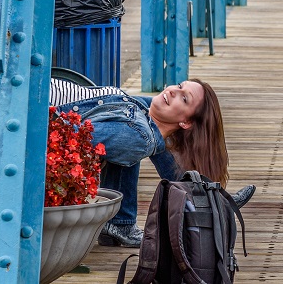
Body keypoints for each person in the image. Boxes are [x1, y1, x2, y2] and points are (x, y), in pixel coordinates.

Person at [50, 77, 256, 248]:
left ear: (187, 122)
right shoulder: (141, 126)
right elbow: (66, 134)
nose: (173, 90)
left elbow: (73, 134)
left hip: (42, 100)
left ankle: (204, 198)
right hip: (40, 98)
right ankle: (205, 199)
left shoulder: (139, 130)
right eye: (180, 85)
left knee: (148, 132)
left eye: (184, 98)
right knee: (148, 132)